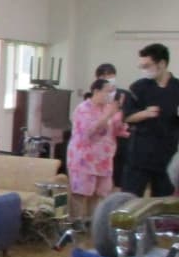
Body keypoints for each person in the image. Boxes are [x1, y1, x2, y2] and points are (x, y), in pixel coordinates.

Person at [122, 43, 179, 197]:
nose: (144, 70)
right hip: (139, 155)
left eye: (147, 66)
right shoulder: (138, 87)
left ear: (162, 64)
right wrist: (144, 114)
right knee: (129, 199)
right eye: (142, 66)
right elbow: (126, 116)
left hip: (167, 155)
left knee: (164, 202)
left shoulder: (176, 87)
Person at [67, 79, 125, 222]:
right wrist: (108, 115)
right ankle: (76, 224)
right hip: (84, 158)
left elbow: (117, 130)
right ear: (96, 91)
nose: (110, 95)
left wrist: (120, 117)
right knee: (80, 193)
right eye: (108, 91)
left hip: (103, 159)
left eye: (112, 92)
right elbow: (88, 131)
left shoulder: (108, 108)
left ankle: (92, 223)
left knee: (98, 194)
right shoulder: (83, 108)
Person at [95, 63, 132, 186]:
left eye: (109, 75)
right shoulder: (95, 95)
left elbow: (130, 115)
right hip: (102, 139)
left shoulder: (125, 94)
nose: (107, 78)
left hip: (122, 139)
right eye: (103, 75)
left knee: (120, 174)